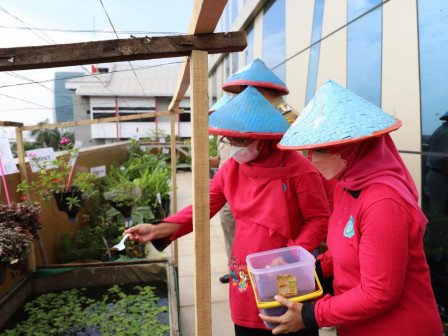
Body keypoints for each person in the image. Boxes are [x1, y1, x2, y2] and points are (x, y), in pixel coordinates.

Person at [125, 86, 330, 335]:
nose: (234, 146)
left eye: (241, 140)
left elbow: (319, 219)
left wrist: (290, 256)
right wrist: (157, 229)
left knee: (291, 324)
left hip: (287, 269)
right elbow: (202, 208)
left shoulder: (300, 169)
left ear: (265, 138)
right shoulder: (231, 168)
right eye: (229, 139)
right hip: (245, 270)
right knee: (247, 327)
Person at [259, 79, 443, 335]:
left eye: (321, 148)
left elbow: (379, 292)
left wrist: (310, 315)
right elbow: (347, 249)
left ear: (355, 146)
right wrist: (304, 271)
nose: (312, 157)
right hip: (358, 324)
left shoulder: (383, 202)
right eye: (310, 149)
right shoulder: (347, 185)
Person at [209, 93, 236, 284]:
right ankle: (233, 269)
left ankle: (247, 271)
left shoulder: (242, 135)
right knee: (228, 230)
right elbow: (220, 160)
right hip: (224, 190)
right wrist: (205, 160)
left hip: (240, 190)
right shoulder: (220, 137)